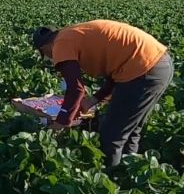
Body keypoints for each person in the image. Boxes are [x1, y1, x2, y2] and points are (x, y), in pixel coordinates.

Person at [31, 20, 173, 167]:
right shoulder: (73, 34)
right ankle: (128, 175)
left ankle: (111, 179)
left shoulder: (60, 45)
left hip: (143, 69)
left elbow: (76, 89)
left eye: (45, 55)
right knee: (130, 130)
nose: (50, 58)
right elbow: (115, 73)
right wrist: (93, 100)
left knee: (111, 136)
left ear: (45, 47)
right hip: (159, 63)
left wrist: (61, 122)